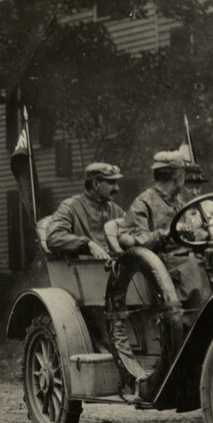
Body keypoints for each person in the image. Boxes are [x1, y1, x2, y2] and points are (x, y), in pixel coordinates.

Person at [45, 162, 147, 395]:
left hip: (117, 277)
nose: (117, 188)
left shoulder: (116, 211)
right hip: (87, 281)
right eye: (112, 183)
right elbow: (53, 237)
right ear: (95, 183)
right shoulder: (71, 207)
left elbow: (130, 234)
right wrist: (86, 244)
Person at [125, 148, 211, 314]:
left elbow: (190, 232)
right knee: (194, 272)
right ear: (177, 175)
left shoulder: (177, 201)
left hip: (184, 260)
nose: (184, 178)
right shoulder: (143, 203)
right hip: (162, 264)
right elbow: (138, 245)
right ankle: (192, 323)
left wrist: (203, 234)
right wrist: (167, 232)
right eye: (184, 174)